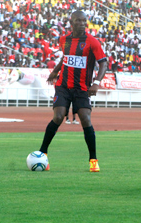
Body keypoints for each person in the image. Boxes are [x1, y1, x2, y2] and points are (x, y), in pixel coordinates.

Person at [38, 10, 107, 172]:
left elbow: (103, 63)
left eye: (84, 21)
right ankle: (42, 153)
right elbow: (66, 57)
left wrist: (96, 83)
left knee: (85, 119)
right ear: (71, 22)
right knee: (58, 116)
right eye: (79, 21)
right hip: (63, 86)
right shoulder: (64, 40)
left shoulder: (92, 42)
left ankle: (93, 160)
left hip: (82, 88)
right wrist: (55, 71)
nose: (82, 24)